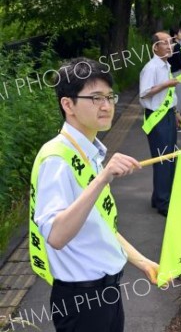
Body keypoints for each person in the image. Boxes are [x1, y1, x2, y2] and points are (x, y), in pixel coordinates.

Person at [30, 58, 160, 332]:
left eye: (109, 97)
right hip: (82, 301)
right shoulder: (58, 159)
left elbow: (99, 223)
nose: (107, 105)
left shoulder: (88, 152)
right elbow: (55, 235)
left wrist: (142, 261)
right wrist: (102, 179)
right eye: (95, 98)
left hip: (106, 293)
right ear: (68, 104)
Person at [139, 32, 181, 216]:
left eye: (170, 42)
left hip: (168, 114)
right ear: (155, 47)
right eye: (164, 43)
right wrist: (166, 85)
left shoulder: (166, 65)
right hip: (157, 116)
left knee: (170, 157)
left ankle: (159, 198)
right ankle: (164, 203)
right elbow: (144, 93)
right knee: (163, 158)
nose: (169, 46)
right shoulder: (151, 68)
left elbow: (170, 94)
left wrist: (177, 112)